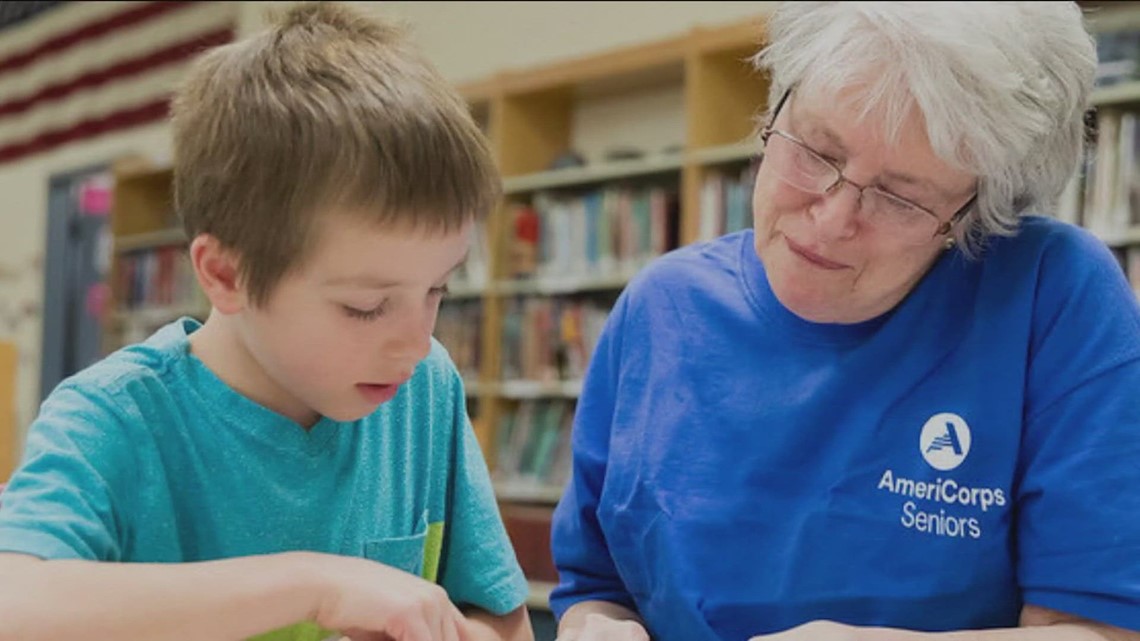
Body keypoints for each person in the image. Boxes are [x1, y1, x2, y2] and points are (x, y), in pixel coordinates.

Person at [550, 3, 1140, 641]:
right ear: (774, 112)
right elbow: (595, 588)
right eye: (815, 150)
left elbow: (1097, 626)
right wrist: (601, 627)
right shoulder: (659, 308)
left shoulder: (1051, 294)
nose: (832, 219)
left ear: (976, 213)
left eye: (900, 196)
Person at [0, 4, 531, 641]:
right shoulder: (114, 418)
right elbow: (17, 601)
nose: (416, 342)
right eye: (365, 306)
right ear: (226, 275)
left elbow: (503, 617)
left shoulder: (424, 389)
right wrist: (316, 584)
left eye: (438, 290)